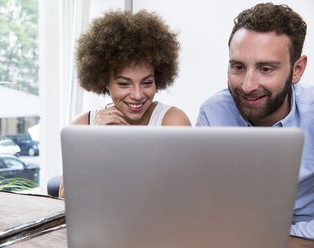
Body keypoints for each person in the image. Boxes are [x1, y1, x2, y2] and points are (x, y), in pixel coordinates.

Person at [196, 3, 314, 244]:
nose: (248, 85)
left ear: (297, 69)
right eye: (238, 67)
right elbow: (202, 203)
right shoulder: (212, 113)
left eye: (266, 69)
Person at [58, 10, 191, 198]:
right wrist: (91, 142)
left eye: (147, 83)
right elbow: (63, 203)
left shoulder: (172, 122)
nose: (137, 95)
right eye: (123, 84)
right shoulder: (82, 126)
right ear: (105, 81)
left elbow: (185, 196)